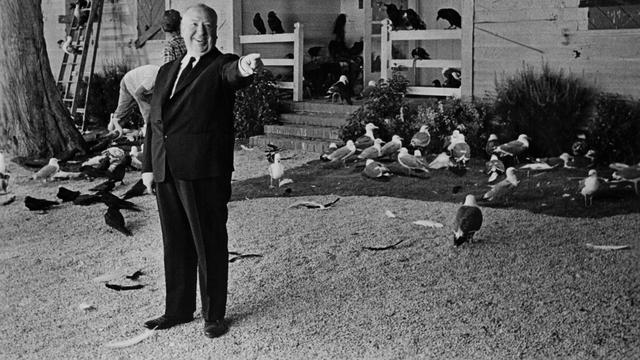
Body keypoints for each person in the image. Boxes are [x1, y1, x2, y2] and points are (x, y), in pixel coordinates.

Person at [141, 4, 263, 339]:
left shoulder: (220, 65)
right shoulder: (167, 70)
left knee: (209, 242)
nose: (201, 33)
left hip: (204, 170)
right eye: (195, 25)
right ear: (182, 29)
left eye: (209, 26)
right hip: (167, 168)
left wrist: (245, 66)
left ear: (216, 31)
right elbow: (154, 121)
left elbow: (233, 73)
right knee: (175, 242)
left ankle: (214, 315)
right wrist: (148, 166)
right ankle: (177, 309)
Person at [107, 64, 159, 134]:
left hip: (135, 81)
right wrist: (148, 102)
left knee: (123, 109)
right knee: (144, 107)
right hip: (129, 82)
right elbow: (138, 93)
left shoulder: (161, 75)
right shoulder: (152, 79)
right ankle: (148, 129)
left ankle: (114, 123)